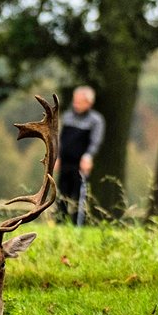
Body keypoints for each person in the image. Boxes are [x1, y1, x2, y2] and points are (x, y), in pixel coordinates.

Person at [55, 85, 105, 224]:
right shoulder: (67, 116)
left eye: (79, 101)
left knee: (79, 196)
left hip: (81, 163)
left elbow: (95, 141)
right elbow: (60, 138)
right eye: (75, 100)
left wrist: (88, 156)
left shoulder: (96, 120)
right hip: (65, 161)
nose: (75, 104)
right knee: (61, 195)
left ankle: (77, 225)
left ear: (89, 103)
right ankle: (59, 223)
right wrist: (57, 156)